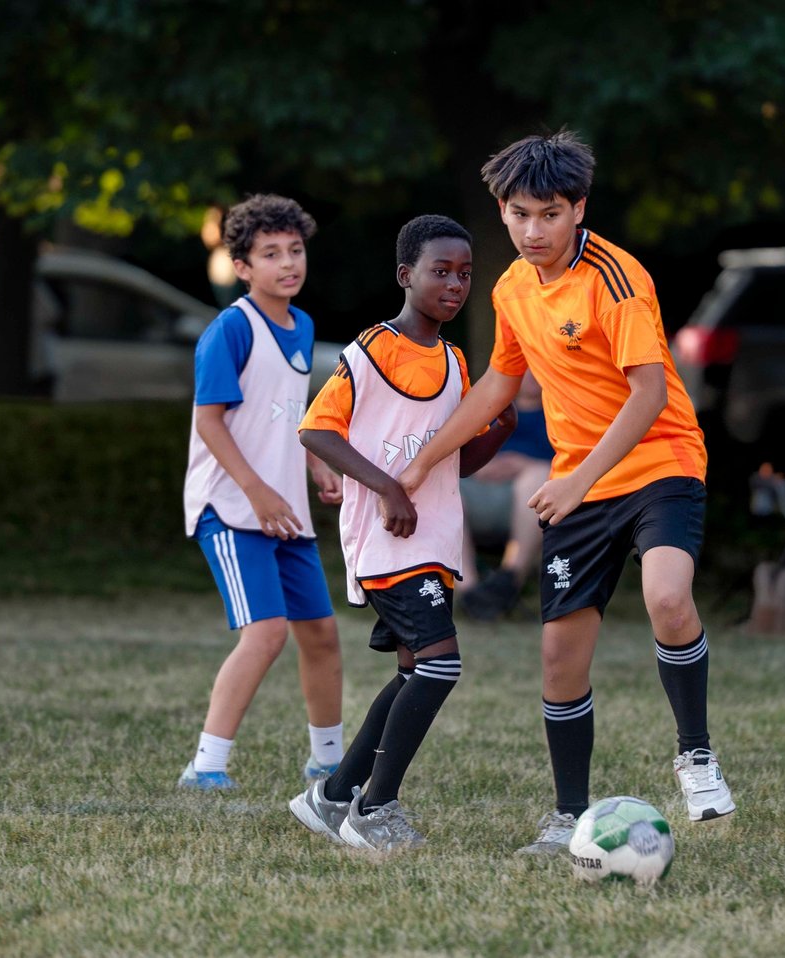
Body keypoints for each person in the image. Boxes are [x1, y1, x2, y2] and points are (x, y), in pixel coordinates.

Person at [398, 129, 736, 856]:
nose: (532, 230)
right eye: (519, 214)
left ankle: (697, 755)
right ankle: (567, 818)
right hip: (579, 483)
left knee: (668, 598)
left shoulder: (617, 279)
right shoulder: (513, 287)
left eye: (549, 214)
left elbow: (648, 395)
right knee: (559, 659)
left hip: (658, 460)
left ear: (578, 209)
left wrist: (576, 477)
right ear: (502, 211)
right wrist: (427, 458)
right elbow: (499, 383)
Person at [288, 214, 516, 852]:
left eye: (465, 273)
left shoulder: (454, 361)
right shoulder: (372, 349)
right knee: (441, 666)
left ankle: (333, 797)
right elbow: (316, 430)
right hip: (386, 538)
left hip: (434, 541)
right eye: (440, 271)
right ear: (405, 275)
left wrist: (494, 432)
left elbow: (456, 463)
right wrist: (387, 486)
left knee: (417, 669)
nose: (454, 284)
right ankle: (375, 809)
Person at [179, 193, 345, 791]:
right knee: (267, 633)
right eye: (269, 254)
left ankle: (329, 762)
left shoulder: (301, 326)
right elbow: (210, 422)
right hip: (231, 507)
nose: (287, 263)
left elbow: (284, 418)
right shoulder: (231, 329)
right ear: (242, 268)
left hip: (284, 512)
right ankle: (206, 767)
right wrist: (256, 493)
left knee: (321, 634)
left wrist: (316, 466)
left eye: (295, 251)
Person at [457, 370, 553, 621]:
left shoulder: (558, 412)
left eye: (537, 369)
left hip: (529, 501)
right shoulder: (486, 408)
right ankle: (469, 590)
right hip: (477, 493)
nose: (532, 376)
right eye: (524, 370)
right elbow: (456, 450)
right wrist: (481, 464)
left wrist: (523, 464)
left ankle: (510, 578)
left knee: (540, 474)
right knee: (443, 487)